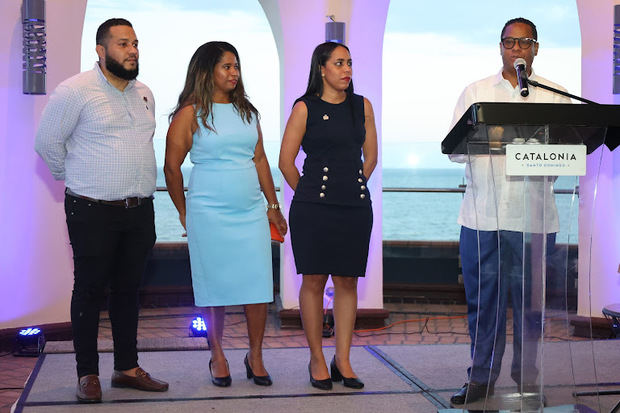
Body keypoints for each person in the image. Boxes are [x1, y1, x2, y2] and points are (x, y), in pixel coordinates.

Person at [34, 18, 168, 403]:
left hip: (139, 210)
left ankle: (127, 368)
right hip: (91, 210)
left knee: (128, 291)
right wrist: (77, 178)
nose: (132, 51)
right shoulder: (75, 91)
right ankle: (87, 374)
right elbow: (46, 143)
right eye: (123, 44)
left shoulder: (144, 93)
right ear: (101, 50)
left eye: (135, 43)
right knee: (89, 291)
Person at [448, 17, 571, 405]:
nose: (516, 49)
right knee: (483, 305)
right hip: (482, 217)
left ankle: (527, 380)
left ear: (536, 48)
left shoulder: (556, 97)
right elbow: (454, 151)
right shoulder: (476, 92)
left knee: (531, 308)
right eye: (509, 42)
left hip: (533, 219)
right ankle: (480, 378)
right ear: (500, 47)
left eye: (524, 42)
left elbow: (567, 155)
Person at [165, 41, 286, 387]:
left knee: (258, 284)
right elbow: (171, 168)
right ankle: (217, 354)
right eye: (227, 66)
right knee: (213, 285)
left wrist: (273, 206)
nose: (234, 73)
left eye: (236, 66)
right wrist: (184, 212)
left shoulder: (247, 112)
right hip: (208, 212)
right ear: (207, 71)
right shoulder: (190, 113)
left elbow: (259, 159)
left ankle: (255, 355)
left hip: (250, 211)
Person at [279, 42, 378, 390]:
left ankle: (343, 359)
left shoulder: (362, 106)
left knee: (348, 281)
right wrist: (309, 194)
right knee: (314, 280)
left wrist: (350, 186)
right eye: (339, 63)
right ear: (321, 69)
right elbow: (285, 162)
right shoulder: (304, 107)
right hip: (313, 208)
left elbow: (370, 158)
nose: (347, 69)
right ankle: (317, 358)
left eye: (349, 62)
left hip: (354, 206)